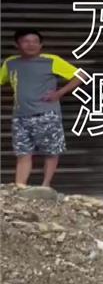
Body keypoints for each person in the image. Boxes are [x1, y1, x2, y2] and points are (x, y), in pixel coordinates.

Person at [0, 29, 83, 187]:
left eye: (35, 42)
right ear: (17, 44)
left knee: (51, 152)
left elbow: (81, 75)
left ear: (41, 45)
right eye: (26, 41)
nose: (31, 45)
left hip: (47, 114)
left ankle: (45, 186)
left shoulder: (51, 60)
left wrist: (59, 93)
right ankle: (20, 187)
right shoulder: (10, 63)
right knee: (23, 153)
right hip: (20, 116)